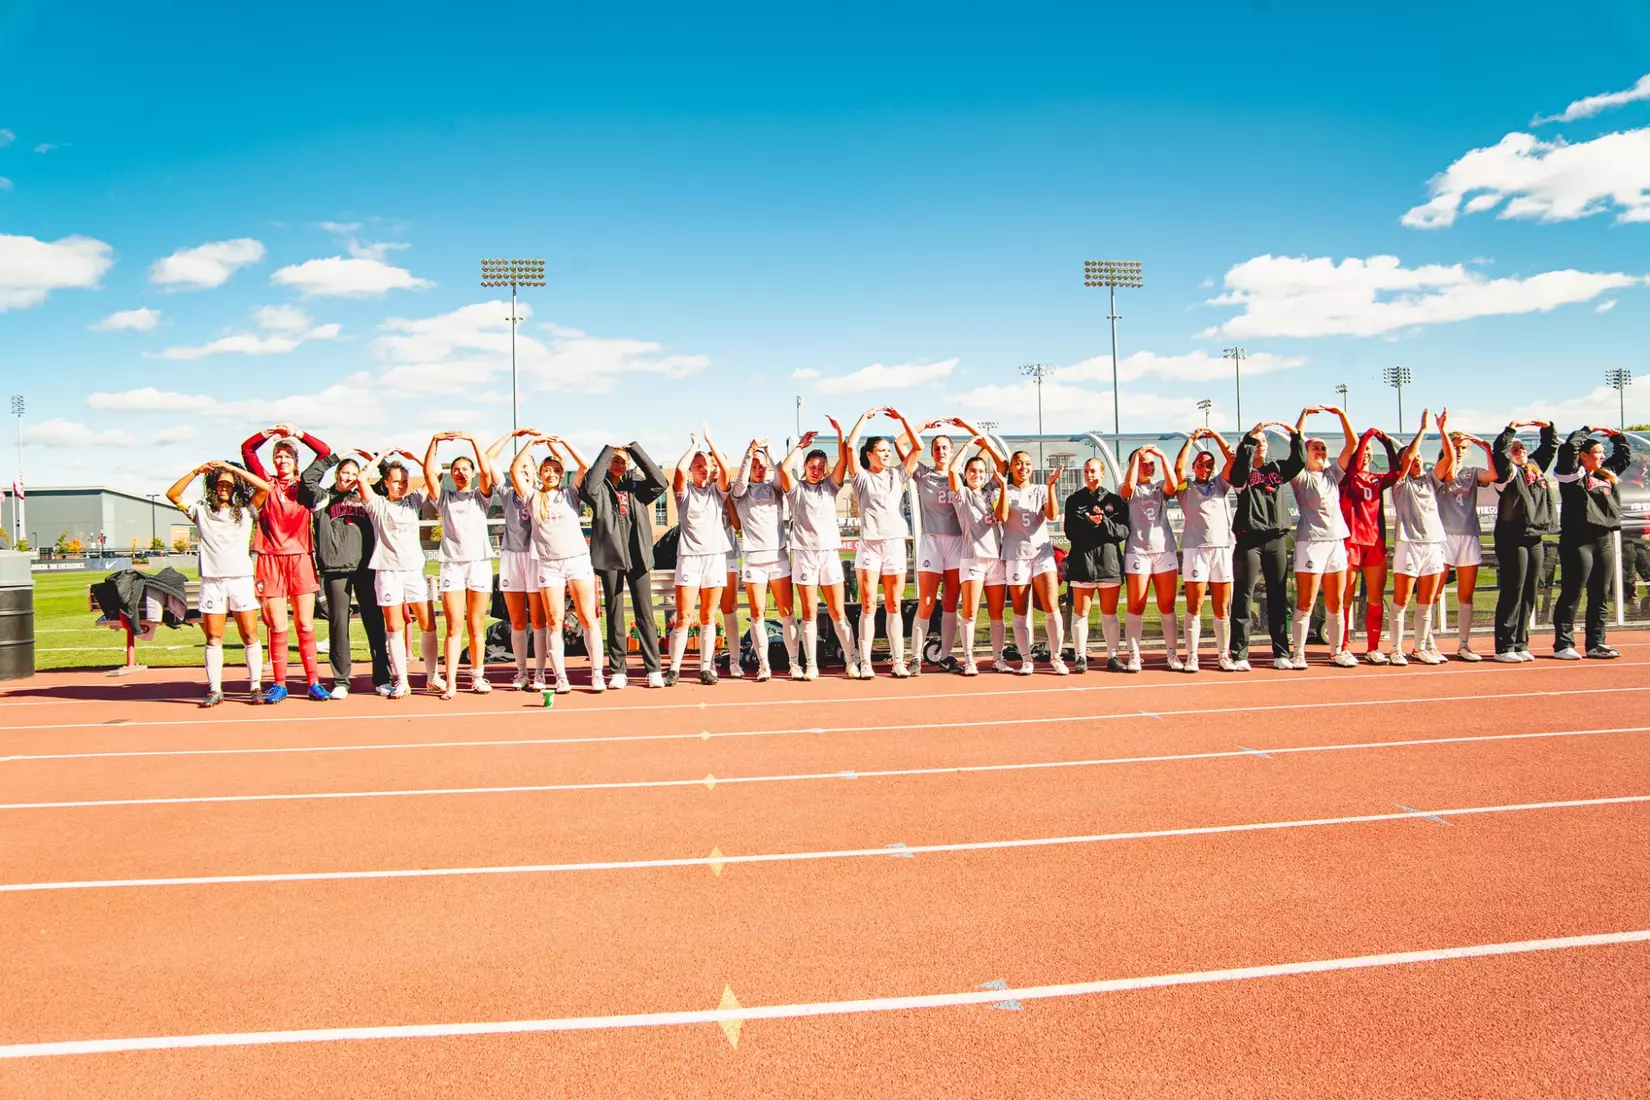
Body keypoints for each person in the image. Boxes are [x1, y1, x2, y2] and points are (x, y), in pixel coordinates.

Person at [164, 459, 272, 706]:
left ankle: (255, 686)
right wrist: (195, 471)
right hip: (212, 581)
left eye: (228, 484)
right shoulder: (201, 510)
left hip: (241, 579)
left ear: (236, 487)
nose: (223, 487)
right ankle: (215, 689)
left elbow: (264, 487)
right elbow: (173, 494)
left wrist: (233, 469)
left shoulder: (246, 510)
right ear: (212, 486)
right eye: (219, 483)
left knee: (250, 634)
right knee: (213, 637)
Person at [240, 424, 333, 702]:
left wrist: (298, 434)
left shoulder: (304, 486)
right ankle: (279, 683)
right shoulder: (265, 483)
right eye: (277, 456)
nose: (281, 461)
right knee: (278, 626)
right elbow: (247, 449)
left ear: (295, 461)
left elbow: (325, 452)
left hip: (300, 559)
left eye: (287, 457)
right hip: (269, 560)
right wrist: (268, 434)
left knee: (305, 624)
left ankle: (313, 682)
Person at [512, 435, 604, 693]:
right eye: (546, 470)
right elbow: (514, 470)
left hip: (576, 561)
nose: (551, 474)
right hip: (549, 565)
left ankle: (597, 673)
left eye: (555, 470)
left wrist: (562, 443)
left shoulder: (569, 493)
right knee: (554, 620)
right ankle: (561, 678)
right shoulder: (532, 496)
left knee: (588, 617)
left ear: (562, 474)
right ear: (540, 474)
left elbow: (585, 465)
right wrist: (531, 443)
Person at [904, 417, 992, 673]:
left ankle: (945, 654)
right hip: (932, 542)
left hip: (958, 544)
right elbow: (900, 444)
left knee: (952, 602)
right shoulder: (923, 473)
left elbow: (984, 444)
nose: (941, 451)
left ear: (953, 452)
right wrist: (922, 426)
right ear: (932, 453)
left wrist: (967, 428)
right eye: (937, 448)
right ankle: (916, 657)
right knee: (927, 602)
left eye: (945, 448)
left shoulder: (963, 477)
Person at [302, 448, 391, 698]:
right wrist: (332, 458)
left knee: (375, 624)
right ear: (338, 473)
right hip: (335, 569)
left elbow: (390, 482)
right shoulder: (322, 497)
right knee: (338, 625)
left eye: (354, 473)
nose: (348, 477)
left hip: (365, 569)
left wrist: (377, 461)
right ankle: (341, 680)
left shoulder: (365, 496)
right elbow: (308, 479)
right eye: (344, 472)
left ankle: (382, 679)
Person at [582, 441, 670, 689]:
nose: (619, 464)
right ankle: (618, 670)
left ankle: (653, 668)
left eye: (623, 460)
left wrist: (634, 450)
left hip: (638, 554)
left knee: (645, 613)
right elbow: (588, 487)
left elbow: (661, 482)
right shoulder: (599, 489)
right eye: (614, 460)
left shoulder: (637, 487)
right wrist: (608, 450)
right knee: (614, 612)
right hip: (610, 556)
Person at [779, 421, 861, 680]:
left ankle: (852, 660)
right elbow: (783, 469)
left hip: (829, 555)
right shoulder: (796, 490)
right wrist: (800, 446)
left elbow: (844, 463)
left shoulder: (829, 487)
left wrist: (839, 433)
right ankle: (811, 664)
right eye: (812, 467)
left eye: (820, 468)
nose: (816, 471)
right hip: (804, 555)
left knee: (838, 611)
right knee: (809, 613)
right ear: (804, 466)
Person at [845, 407, 923, 678]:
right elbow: (849, 445)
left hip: (895, 545)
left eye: (889, 450)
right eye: (881, 450)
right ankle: (865, 662)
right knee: (868, 605)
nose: (887, 454)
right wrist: (864, 418)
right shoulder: (862, 478)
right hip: (870, 547)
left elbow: (919, 446)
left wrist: (903, 419)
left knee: (894, 604)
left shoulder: (898, 475)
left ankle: (898, 660)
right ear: (869, 455)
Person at [355, 448, 438, 698]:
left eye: (404, 481)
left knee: (428, 624)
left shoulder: (413, 501)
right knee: (394, 627)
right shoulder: (377, 505)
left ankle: (433, 676)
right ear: (385, 483)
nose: (401, 486)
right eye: (396, 481)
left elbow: (434, 472)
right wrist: (379, 458)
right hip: (388, 572)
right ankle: (401, 680)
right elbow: (361, 479)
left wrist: (414, 458)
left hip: (413, 570)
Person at [422, 431, 496, 699]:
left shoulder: (481, 496)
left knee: (476, 625)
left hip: (478, 564)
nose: (461, 473)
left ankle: (477, 676)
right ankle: (451, 681)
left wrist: (474, 441)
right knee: (454, 627)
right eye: (456, 470)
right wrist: (435, 441)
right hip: (452, 565)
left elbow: (487, 471)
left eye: (466, 469)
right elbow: (428, 473)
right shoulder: (444, 498)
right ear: (451, 474)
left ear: (473, 473)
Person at [1227, 422, 1305, 672]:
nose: (1260, 445)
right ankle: (1239, 653)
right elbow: (1239, 473)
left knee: (1278, 596)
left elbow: (1299, 461)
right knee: (1243, 596)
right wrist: (1249, 439)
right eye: (1255, 442)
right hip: (1249, 541)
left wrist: (1295, 436)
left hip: (1276, 540)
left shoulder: (1277, 469)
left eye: (1264, 442)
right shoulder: (1241, 471)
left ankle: (1281, 652)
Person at [1552, 425, 1632, 659]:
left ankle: (1596, 643)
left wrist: (1617, 437)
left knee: (1600, 594)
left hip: (1604, 539)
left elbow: (1624, 455)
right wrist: (1586, 430)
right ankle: (1563, 644)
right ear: (1583, 455)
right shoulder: (1570, 475)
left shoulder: (1605, 473)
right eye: (1597, 451)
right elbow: (1568, 449)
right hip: (1578, 541)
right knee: (1572, 592)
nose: (1602, 455)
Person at [1288, 405, 1358, 669]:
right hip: (1311, 542)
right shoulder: (1300, 476)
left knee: (1336, 601)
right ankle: (1298, 652)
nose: (1320, 452)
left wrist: (1341, 415)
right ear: (1305, 453)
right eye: (1314, 448)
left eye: (1323, 449)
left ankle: (1337, 651)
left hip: (1335, 542)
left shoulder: (1332, 474)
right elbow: (1295, 444)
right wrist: (1303, 416)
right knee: (1306, 600)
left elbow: (1352, 443)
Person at [1387, 410, 1456, 665]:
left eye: (1418, 458)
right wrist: (1423, 430)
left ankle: (1419, 648)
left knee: (1427, 601)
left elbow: (1449, 458)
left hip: (1433, 544)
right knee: (1402, 600)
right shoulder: (1400, 482)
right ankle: (1395, 649)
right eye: (1411, 457)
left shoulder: (1429, 480)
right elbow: (1405, 463)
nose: (1416, 460)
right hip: (1408, 544)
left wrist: (1442, 429)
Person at [666, 430, 733, 685]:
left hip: (714, 558)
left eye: (707, 466)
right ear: (692, 470)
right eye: (699, 466)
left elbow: (725, 470)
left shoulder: (717, 492)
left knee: (708, 616)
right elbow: (678, 473)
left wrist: (710, 443)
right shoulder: (684, 495)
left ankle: (706, 667)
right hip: (689, 559)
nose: (704, 470)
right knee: (684, 617)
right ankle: (674, 668)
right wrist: (693, 445)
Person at [1490, 421, 1558, 662]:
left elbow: (1550, 447)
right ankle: (1504, 647)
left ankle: (1520, 643)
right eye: (1515, 449)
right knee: (1513, 591)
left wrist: (1548, 427)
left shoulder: (1535, 468)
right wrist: (1511, 429)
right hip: (1512, 538)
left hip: (1535, 537)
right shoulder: (1506, 473)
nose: (1520, 451)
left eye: (1522, 448)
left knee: (1530, 591)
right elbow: (1498, 451)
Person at [487, 429, 549, 691]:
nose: (523, 472)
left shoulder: (542, 493)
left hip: (536, 557)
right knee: (517, 621)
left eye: (528, 468)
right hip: (512, 557)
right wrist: (512, 435)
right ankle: (521, 672)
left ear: (534, 472)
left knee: (539, 619)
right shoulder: (506, 491)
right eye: (520, 468)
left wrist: (533, 447)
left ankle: (540, 672)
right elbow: (488, 459)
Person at [731, 439, 798, 681]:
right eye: (754, 466)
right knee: (757, 613)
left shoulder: (775, 488)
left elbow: (781, 471)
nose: (759, 470)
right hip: (753, 560)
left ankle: (794, 663)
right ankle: (764, 666)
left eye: (762, 466)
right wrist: (749, 453)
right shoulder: (740, 492)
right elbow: (739, 482)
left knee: (787, 612)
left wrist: (769, 451)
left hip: (778, 557)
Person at [995, 449, 1067, 675]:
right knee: (1019, 608)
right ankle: (1026, 658)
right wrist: (1005, 488)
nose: (1023, 467)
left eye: (1027, 463)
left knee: (1051, 605)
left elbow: (1053, 515)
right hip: (1016, 554)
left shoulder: (1041, 490)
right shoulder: (1002, 490)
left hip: (1041, 553)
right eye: (1018, 463)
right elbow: (1002, 516)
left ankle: (1056, 656)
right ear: (1012, 468)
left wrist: (1052, 486)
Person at [1174, 430, 1236, 672]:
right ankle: (1192, 656)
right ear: (1195, 466)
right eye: (1201, 464)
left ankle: (1223, 655)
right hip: (1195, 549)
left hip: (1221, 548)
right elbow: (1178, 468)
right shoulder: (1185, 486)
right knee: (1195, 604)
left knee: (1222, 607)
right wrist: (1190, 440)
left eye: (1209, 465)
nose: (1205, 469)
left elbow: (1232, 462)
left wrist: (1216, 436)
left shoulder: (1220, 483)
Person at [1338, 427, 1400, 664]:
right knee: (1345, 597)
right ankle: (1341, 646)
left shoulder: (1377, 479)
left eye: (1369, 452)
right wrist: (1366, 436)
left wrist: (1386, 443)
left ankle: (1373, 647)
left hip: (1374, 542)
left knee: (1375, 597)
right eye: (1364, 451)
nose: (1366, 454)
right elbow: (1355, 466)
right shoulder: (1346, 476)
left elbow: (1397, 472)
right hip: (1351, 542)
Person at [949, 440, 1011, 675]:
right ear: (966, 474)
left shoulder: (989, 492)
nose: (977, 474)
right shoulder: (962, 494)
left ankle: (998, 658)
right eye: (972, 471)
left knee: (997, 612)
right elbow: (952, 471)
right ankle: (969, 659)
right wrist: (968, 444)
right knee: (971, 612)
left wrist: (986, 442)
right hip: (972, 559)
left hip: (995, 558)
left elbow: (1003, 465)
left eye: (980, 471)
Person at [1063, 457, 1129, 673]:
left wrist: (1103, 522)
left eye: (1093, 471)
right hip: (1082, 563)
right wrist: (1088, 522)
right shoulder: (1074, 500)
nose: (1090, 475)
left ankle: (1112, 656)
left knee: (1109, 612)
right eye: (1086, 471)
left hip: (1108, 565)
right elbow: (1070, 533)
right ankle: (1080, 656)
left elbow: (1122, 532)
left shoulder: (1115, 501)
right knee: (1080, 612)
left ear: (1102, 473)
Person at [1437, 431, 1499, 661]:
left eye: (1463, 447)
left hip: (1469, 535)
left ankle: (1463, 644)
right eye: (1455, 446)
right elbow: (1449, 472)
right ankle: (1426, 642)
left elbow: (1493, 475)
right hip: (1444, 536)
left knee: (1466, 594)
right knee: (1434, 592)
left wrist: (1486, 448)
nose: (1460, 450)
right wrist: (1448, 443)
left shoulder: (1472, 472)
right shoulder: (1440, 470)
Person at [1119, 444, 1181, 672]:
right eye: (1143, 463)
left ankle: (1172, 654)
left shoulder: (1159, 487)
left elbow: (1173, 485)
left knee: (1167, 604)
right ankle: (1134, 655)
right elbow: (1127, 488)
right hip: (1138, 551)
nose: (1148, 467)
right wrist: (1136, 456)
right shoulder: (1128, 488)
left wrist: (1163, 455)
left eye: (1150, 464)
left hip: (1164, 550)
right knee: (1137, 604)